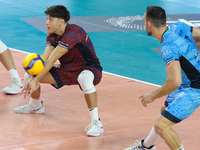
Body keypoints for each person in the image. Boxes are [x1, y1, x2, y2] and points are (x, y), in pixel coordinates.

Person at [14, 5, 104, 137]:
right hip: (67, 70)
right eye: (46, 19)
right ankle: (35, 106)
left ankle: (97, 123)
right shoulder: (52, 35)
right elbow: (44, 60)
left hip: (89, 69)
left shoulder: (74, 33)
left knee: (84, 78)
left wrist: (36, 81)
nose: (46, 22)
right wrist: (33, 77)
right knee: (29, 74)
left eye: (50, 19)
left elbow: (52, 60)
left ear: (61, 21)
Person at [124, 6, 200, 150]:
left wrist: (152, 95)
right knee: (165, 110)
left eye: (144, 19)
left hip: (195, 88)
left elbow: (174, 80)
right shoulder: (179, 26)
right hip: (187, 82)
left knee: (162, 125)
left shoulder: (168, 48)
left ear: (148, 24)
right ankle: (147, 146)